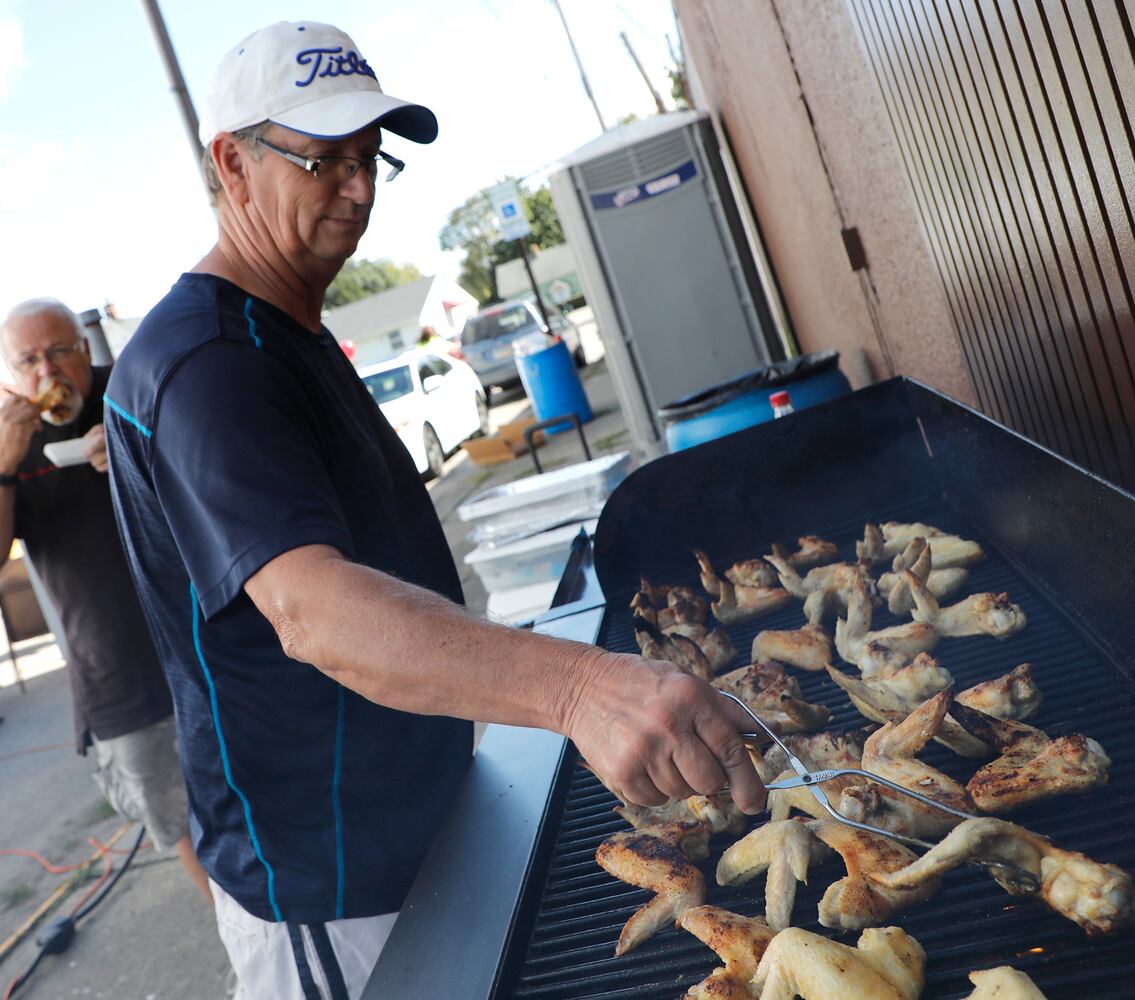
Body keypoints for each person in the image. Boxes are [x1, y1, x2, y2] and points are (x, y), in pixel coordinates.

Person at [103, 21, 764, 1000]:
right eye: (323, 159)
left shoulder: (286, 332)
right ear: (232, 163)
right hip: (331, 885)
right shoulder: (207, 366)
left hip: (415, 823)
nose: (360, 189)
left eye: (371, 158)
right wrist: (583, 691)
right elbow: (312, 611)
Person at [0, 298, 211, 903]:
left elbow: (208, 478)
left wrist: (133, 448)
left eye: (60, 351)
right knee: (182, 831)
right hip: (117, 681)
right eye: (29, 360)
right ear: (13, 372)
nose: (48, 372)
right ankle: (252, 952)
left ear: (84, 350)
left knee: (265, 795)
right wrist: (6, 464)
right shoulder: (9, 439)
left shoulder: (130, 390)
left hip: (206, 645)